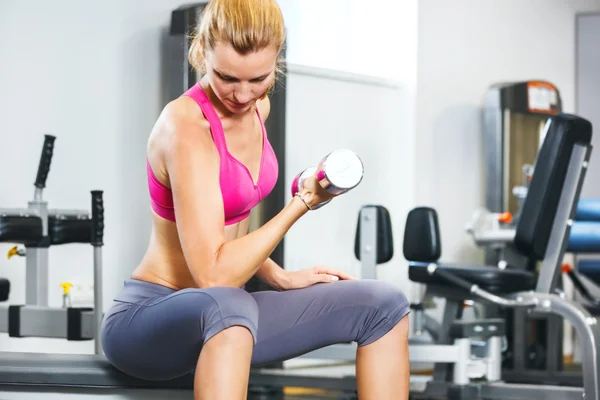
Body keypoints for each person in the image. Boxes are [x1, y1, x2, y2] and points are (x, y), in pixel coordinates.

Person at [100, 0, 410, 399]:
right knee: (230, 303)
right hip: (150, 319)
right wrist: (301, 203)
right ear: (202, 52)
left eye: (258, 79)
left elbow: (225, 226)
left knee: (383, 304)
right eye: (227, 77)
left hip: (228, 318)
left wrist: (279, 276)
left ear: (276, 60)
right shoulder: (186, 128)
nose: (243, 94)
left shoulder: (256, 107)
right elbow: (213, 275)